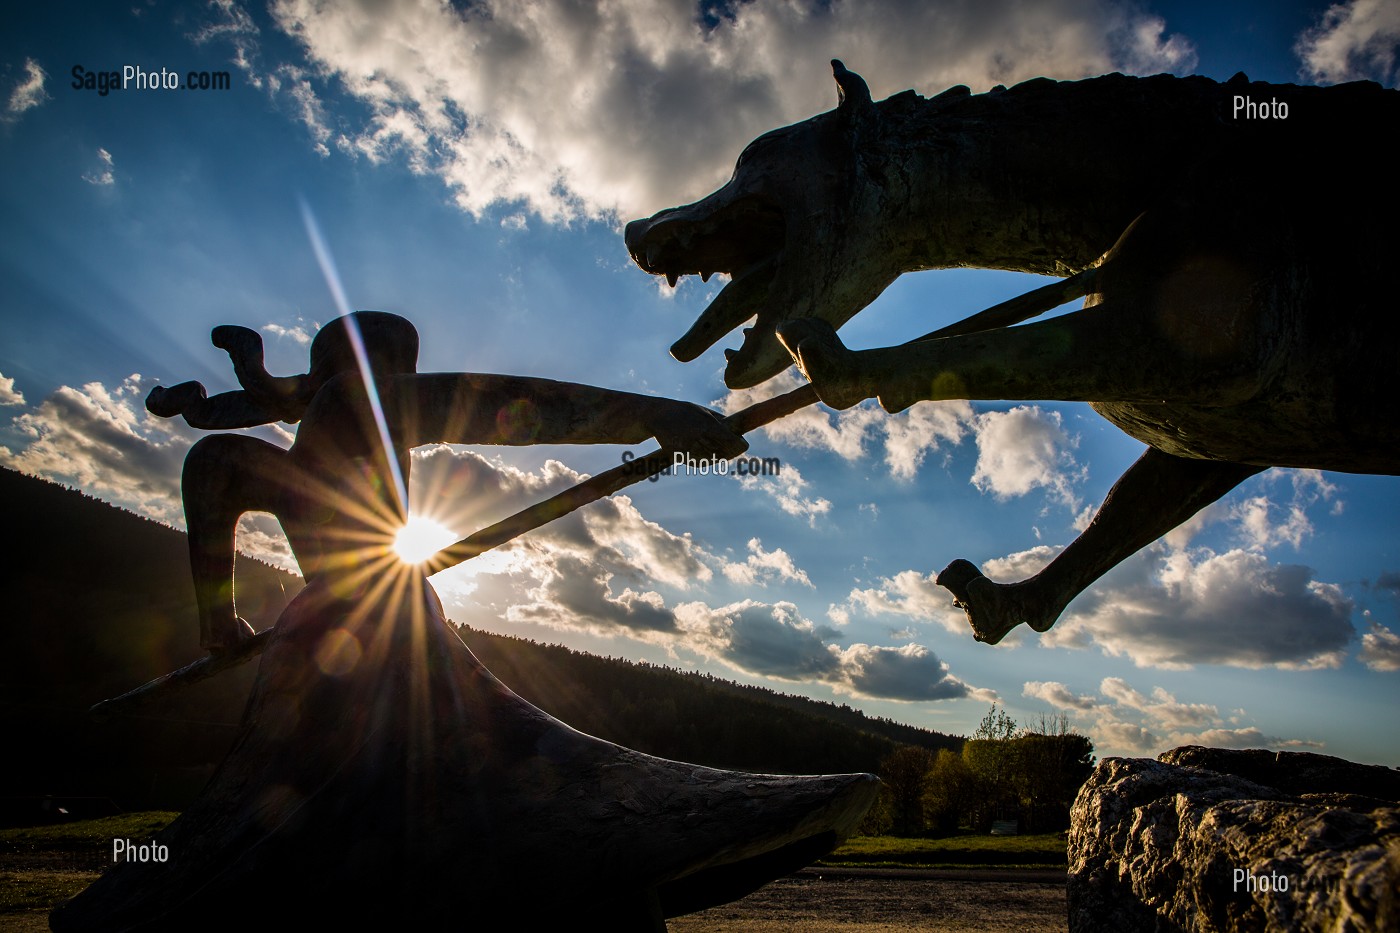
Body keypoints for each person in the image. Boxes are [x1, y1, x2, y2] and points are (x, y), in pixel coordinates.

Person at [147, 311, 747, 653]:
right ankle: (218, 625)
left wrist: (653, 416)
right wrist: (653, 415)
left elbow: (510, 408)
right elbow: (504, 406)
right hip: (343, 550)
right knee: (215, 460)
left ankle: (225, 624)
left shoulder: (363, 398)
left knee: (215, 459)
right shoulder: (349, 398)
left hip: (364, 565)